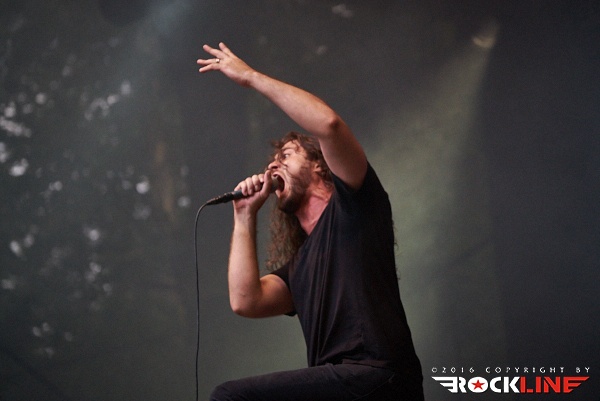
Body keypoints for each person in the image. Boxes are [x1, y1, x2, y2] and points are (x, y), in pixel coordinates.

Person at [197, 42, 424, 401]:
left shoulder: (355, 204)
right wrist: (244, 216)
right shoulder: (299, 266)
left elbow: (329, 125)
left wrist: (251, 78)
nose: (273, 165)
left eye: (286, 155)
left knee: (231, 397)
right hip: (341, 386)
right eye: (272, 160)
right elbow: (246, 301)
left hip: (376, 375)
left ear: (319, 164)